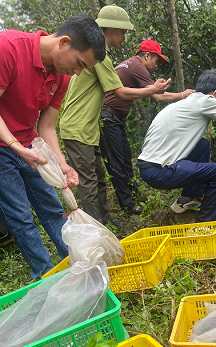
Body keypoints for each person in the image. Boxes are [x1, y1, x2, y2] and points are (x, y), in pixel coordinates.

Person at [0, 15, 105, 278]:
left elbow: (46, 125)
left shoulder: (63, 77)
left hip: (29, 145)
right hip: (3, 146)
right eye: (80, 63)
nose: (78, 72)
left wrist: (61, 162)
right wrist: (14, 145)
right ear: (64, 43)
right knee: (21, 217)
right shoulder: (9, 48)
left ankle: (76, 266)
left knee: (53, 208)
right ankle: (44, 275)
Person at [60, 6, 170, 228]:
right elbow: (119, 92)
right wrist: (152, 89)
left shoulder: (102, 55)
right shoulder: (97, 55)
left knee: (99, 178)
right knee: (89, 183)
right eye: (123, 32)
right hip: (78, 127)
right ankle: (95, 231)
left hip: (89, 128)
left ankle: (105, 219)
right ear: (112, 29)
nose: (124, 37)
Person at [137, 69, 216, 222]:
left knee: (202, 145)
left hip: (148, 168)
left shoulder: (188, 101)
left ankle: (188, 198)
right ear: (215, 93)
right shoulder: (206, 101)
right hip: (159, 171)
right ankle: (206, 224)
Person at [101, 39, 194, 215]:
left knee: (125, 160)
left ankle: (134, 196)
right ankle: (128, 205)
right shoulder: (138, 66)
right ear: (146, 55)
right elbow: (158, 97)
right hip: (109, 117)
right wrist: (182, 95)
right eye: (155, 61)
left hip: (113, 117)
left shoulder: (130, 64)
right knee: (117, 163)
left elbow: (155, 90)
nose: (156, 65)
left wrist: (157, 87)